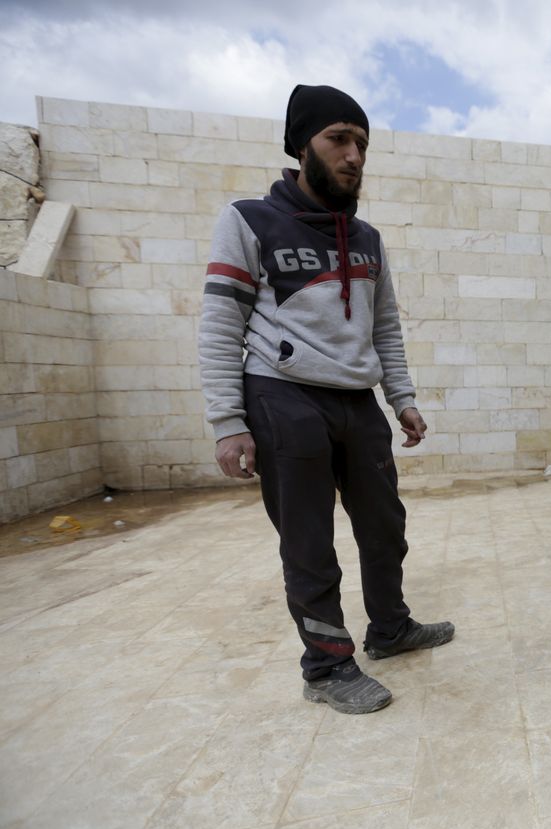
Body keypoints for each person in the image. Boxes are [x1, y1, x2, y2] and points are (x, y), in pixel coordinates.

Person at [198, 84, 453, 714]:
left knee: (385, 525)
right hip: (282, 397)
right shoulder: (250, 220)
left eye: (362, 142)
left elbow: (385, 325)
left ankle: (390, 630)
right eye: (339, 139)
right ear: (301, 145)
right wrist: (229, 423)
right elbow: (220, 325)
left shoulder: (367, 237)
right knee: (308, 542)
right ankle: (327, 668)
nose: (354, 155)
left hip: (356, 399)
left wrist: (404, 398)